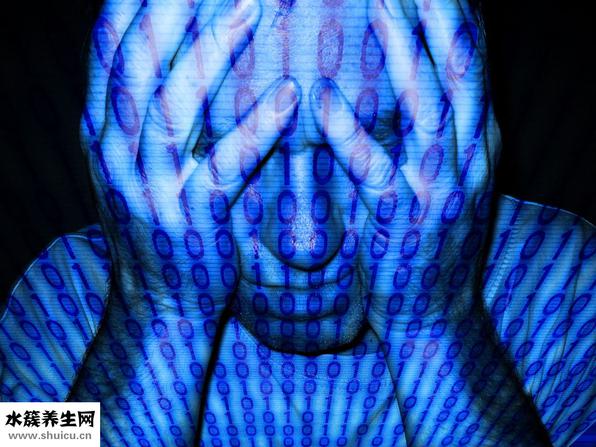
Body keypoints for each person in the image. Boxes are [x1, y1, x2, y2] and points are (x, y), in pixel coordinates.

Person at [1, 0, 594, 445]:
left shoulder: (568, 290)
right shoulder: (59, 299)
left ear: (464, 121)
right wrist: (156, 315)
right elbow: (24, 435)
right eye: (232, 155)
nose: (305, 243)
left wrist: (436, 326)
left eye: (373, 146)